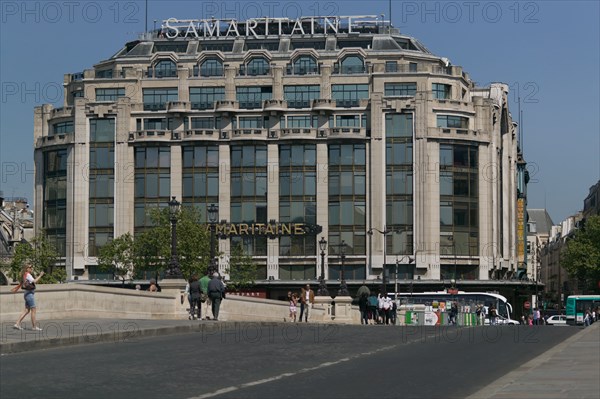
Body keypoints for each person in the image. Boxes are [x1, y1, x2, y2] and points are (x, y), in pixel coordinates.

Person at [14, 264, 45, 331]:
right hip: (29, 294)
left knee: (27, 310)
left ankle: (17, 323)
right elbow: (35, 281)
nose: (31, 268)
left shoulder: (25, 274)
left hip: (27, 294)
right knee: (33, 310)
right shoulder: (28, 274)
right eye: (30, 267)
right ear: (26, 268)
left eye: (31, 267)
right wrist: (40, 275)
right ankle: (34, 326)